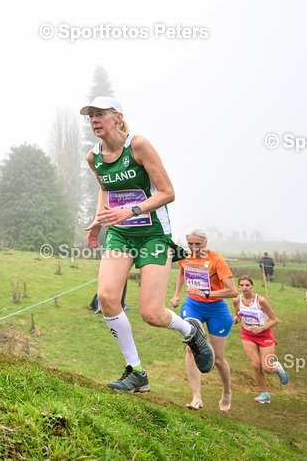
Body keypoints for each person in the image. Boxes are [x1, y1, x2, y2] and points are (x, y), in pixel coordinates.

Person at [82, 96, 213, 393]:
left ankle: (190, 331)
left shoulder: (138, 146)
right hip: (120, 233)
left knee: (151, 314)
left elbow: (168, 193)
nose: (94, 120)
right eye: (90, 115)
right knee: (106, 296)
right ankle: (136, 372)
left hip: (153, 234)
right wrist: (100, 219)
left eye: (100, 114)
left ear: (118, 117)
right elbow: (105, 188)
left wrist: (132, 210)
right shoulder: (93, 157)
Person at [170, 230, 236, 411]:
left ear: (205, 242)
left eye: (198, 244)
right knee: (191, 348)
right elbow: (182, 273)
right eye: (190, 244)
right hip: (193, 305)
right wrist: (176, 295)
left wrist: (205, 293)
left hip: (217, 309)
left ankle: (227, 392)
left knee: (218, 359)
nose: (194, 248)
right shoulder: (185, 256)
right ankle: (196, 397)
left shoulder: (216, 260)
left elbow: (233, 291)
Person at [234, 275, 289, 404]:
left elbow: (275, 319)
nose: (244, 288)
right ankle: (265, 394)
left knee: (267, 368)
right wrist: (232, 320)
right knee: (255, 365)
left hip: (264, 334)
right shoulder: (237, 300)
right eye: (241, 285)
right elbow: (238, 317)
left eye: (247, 285)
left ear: (253, 286)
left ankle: (277, 368)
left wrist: (262, 328)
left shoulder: (261, 301)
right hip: (247, 335)